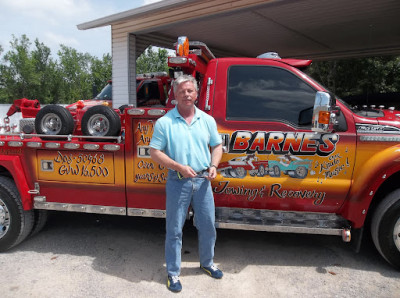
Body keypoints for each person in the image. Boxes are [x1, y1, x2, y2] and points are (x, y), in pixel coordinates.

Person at [150, 75, 223, 293]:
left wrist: (214, 165)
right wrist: (178, 167)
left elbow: (217, 146)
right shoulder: (165, 123)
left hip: (202, 182)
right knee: (174, 230)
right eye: (182, 91)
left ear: (196, 93)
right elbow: (154, 152)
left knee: (208, 226)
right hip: (177, 181)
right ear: (175, 94)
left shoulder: (207, 120)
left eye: (190, 90)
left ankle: (207, 263)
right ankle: (173, 273)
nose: (187, 94)